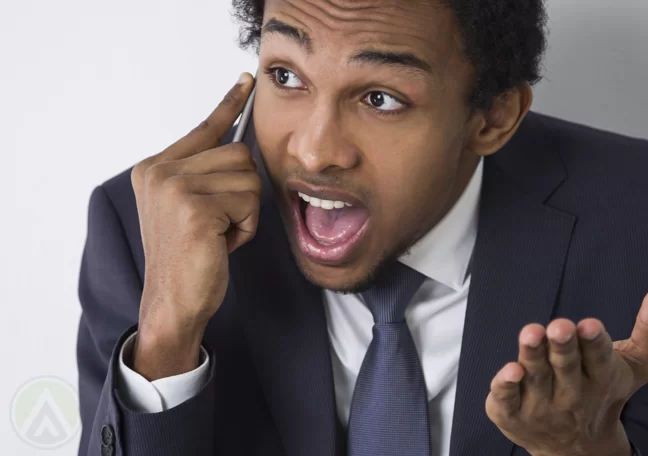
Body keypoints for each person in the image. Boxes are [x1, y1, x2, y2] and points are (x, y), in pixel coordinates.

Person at [76, 0, 648, 455]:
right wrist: (167, 340)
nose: (314, 150)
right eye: (285, 75)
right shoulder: (145, 229)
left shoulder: (634, 221)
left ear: (494, 118)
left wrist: (587, 452)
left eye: (380, 98)